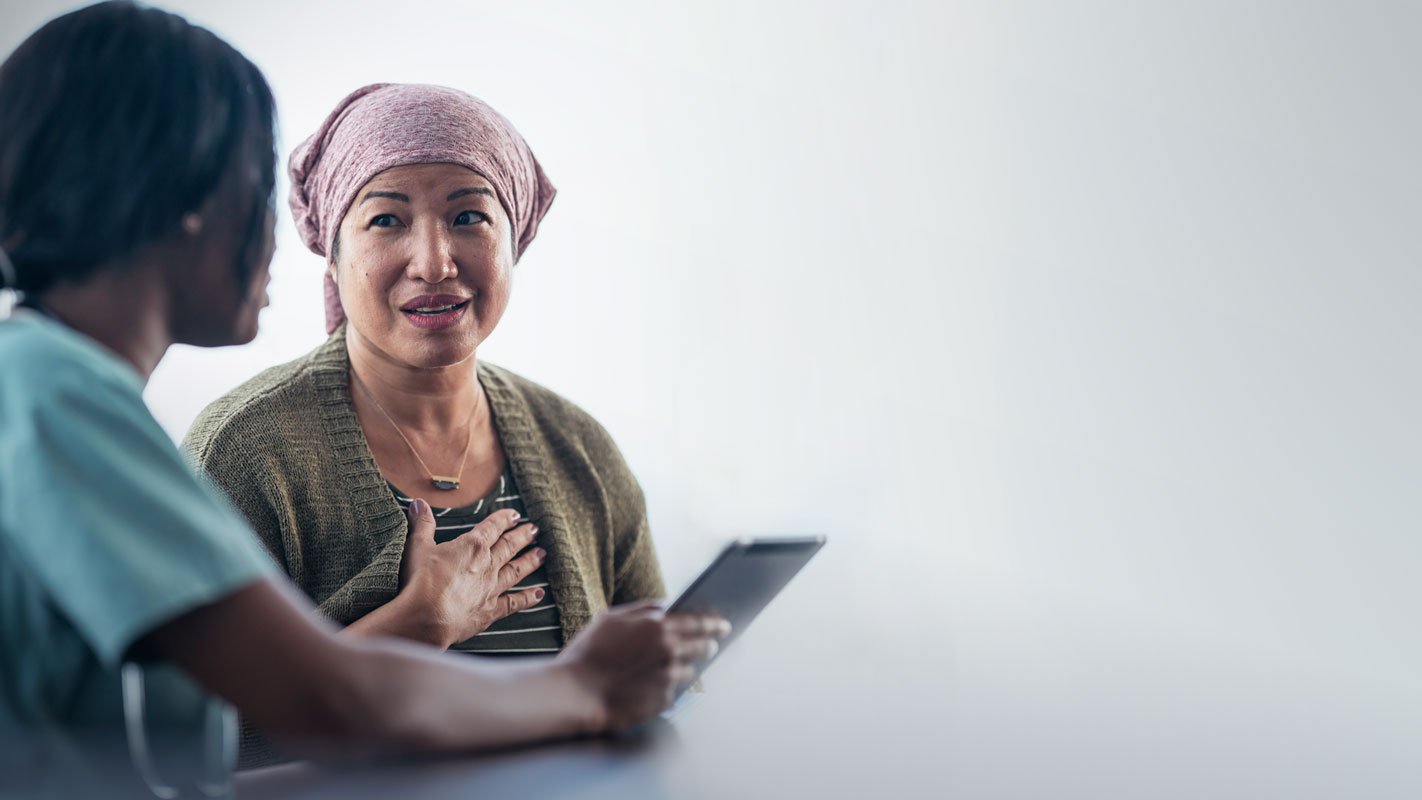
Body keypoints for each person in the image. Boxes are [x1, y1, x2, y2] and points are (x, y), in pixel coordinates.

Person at [0, 4, 726, 798]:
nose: (283, 233)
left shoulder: (48, 390)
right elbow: (325, 696)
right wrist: (585, 686)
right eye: (256, 180)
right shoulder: (49, 401)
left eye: (468, 216)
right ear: (184, 198)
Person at [183, 85, 666, 660]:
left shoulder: (578, 447)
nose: (434, 262)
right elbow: (187, 737)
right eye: (387, 219)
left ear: (515, 243)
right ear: (332, 256)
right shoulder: (244, 451)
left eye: (469, 216)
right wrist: (413, 629)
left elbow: (666, 695)